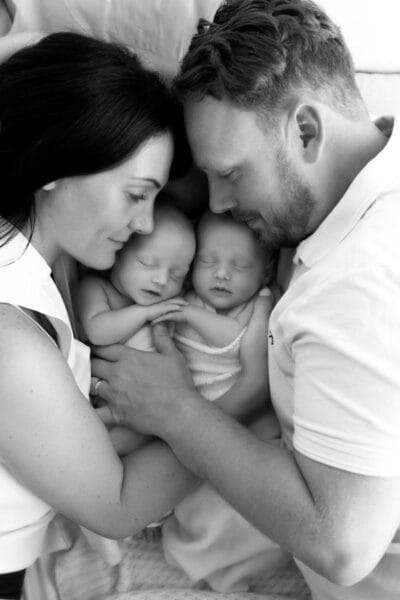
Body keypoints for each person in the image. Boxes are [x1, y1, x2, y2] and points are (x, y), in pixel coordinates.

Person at [92, 1, 400, 599]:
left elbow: (342, 544)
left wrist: (176, 410)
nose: (218, 204)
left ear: (307, 131)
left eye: (230, 174)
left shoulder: (356, 283)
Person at [0, 31, 203, 600]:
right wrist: (253, 404)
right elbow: (118, 504)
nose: (144, 226)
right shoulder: (11, 335)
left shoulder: (52, 266)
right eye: (136, 195)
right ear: (53, 163)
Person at [156, 210, 284, 592]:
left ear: (264, 272)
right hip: (187, 414)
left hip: (240, 423)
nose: (221, 274)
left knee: (232, 508)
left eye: (239, 265)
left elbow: (246, 358)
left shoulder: (261, 307)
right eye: (207, 262)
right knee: (188, 500)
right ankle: (186, 549)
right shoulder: (184, 295)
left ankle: (227, 570)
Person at [78, 203, 196, 455]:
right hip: (99, 398)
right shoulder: (96, 288)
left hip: (149, 403)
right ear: (117, 254)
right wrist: (144, 313)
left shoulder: (163, 301)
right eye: (147, 263)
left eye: (177, 275)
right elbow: (97, 331)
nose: (162, 280)